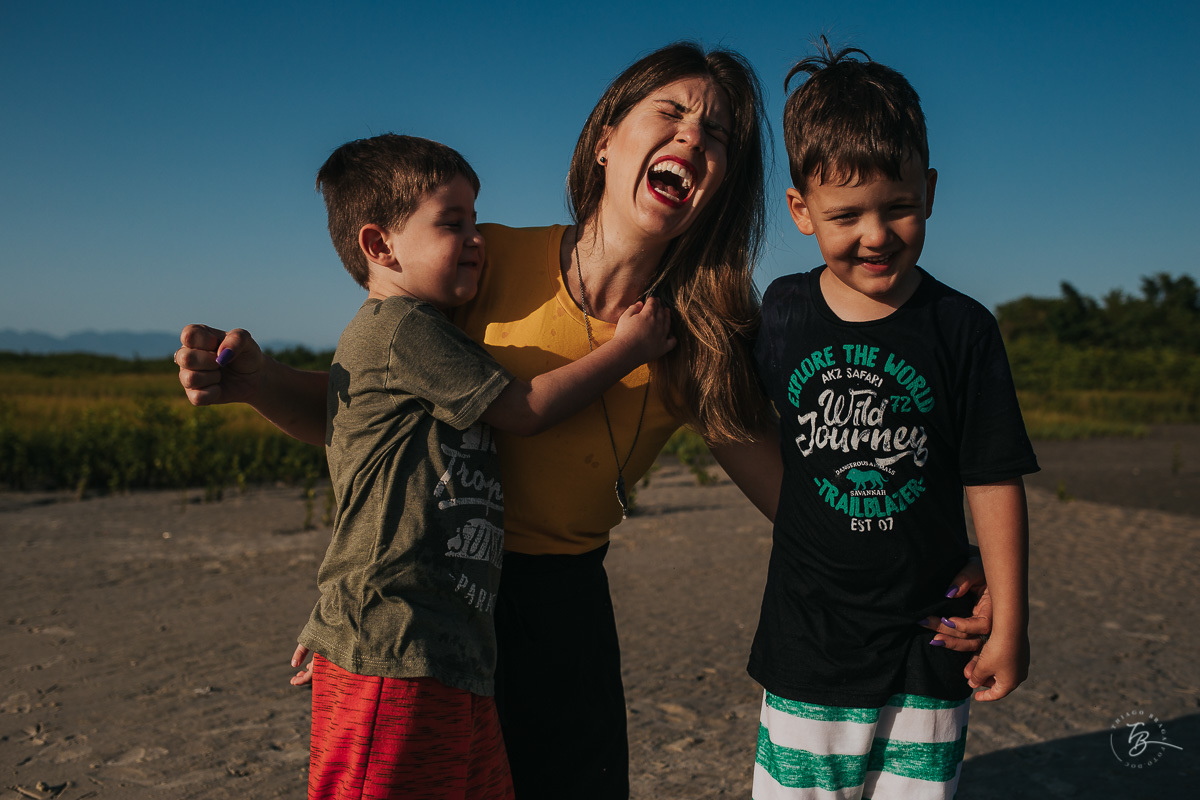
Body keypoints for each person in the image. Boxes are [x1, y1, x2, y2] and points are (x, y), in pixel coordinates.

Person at [175, 42, 992, 800]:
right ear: (607, 137)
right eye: (670, 112)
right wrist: (258, 382)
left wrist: (948, 562)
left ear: (721, 185)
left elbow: (804, 504)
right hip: (439, 602)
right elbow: (365, 415)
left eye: (717, 134)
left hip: (567, 617)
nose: (692, 137)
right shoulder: (484, 261)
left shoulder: (695, 337)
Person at [281, 133, 673, 800]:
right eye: (452, 223)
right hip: (393, 646)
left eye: (475, 219)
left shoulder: (432, 335)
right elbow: (524, 407)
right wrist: (628, 347)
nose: (476, 237)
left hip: (449, 650)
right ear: (380, 246)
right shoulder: (401, 328)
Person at [748, 42, 1038, 799]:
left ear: (931, 192)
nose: (876, 234)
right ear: (801, 212)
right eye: (846, 215)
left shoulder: (961, 328)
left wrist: (1009, 617)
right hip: (810, 638)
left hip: (931, 637)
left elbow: (993, 476)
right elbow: (726, 412)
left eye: (898, 206)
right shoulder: (781, 313)